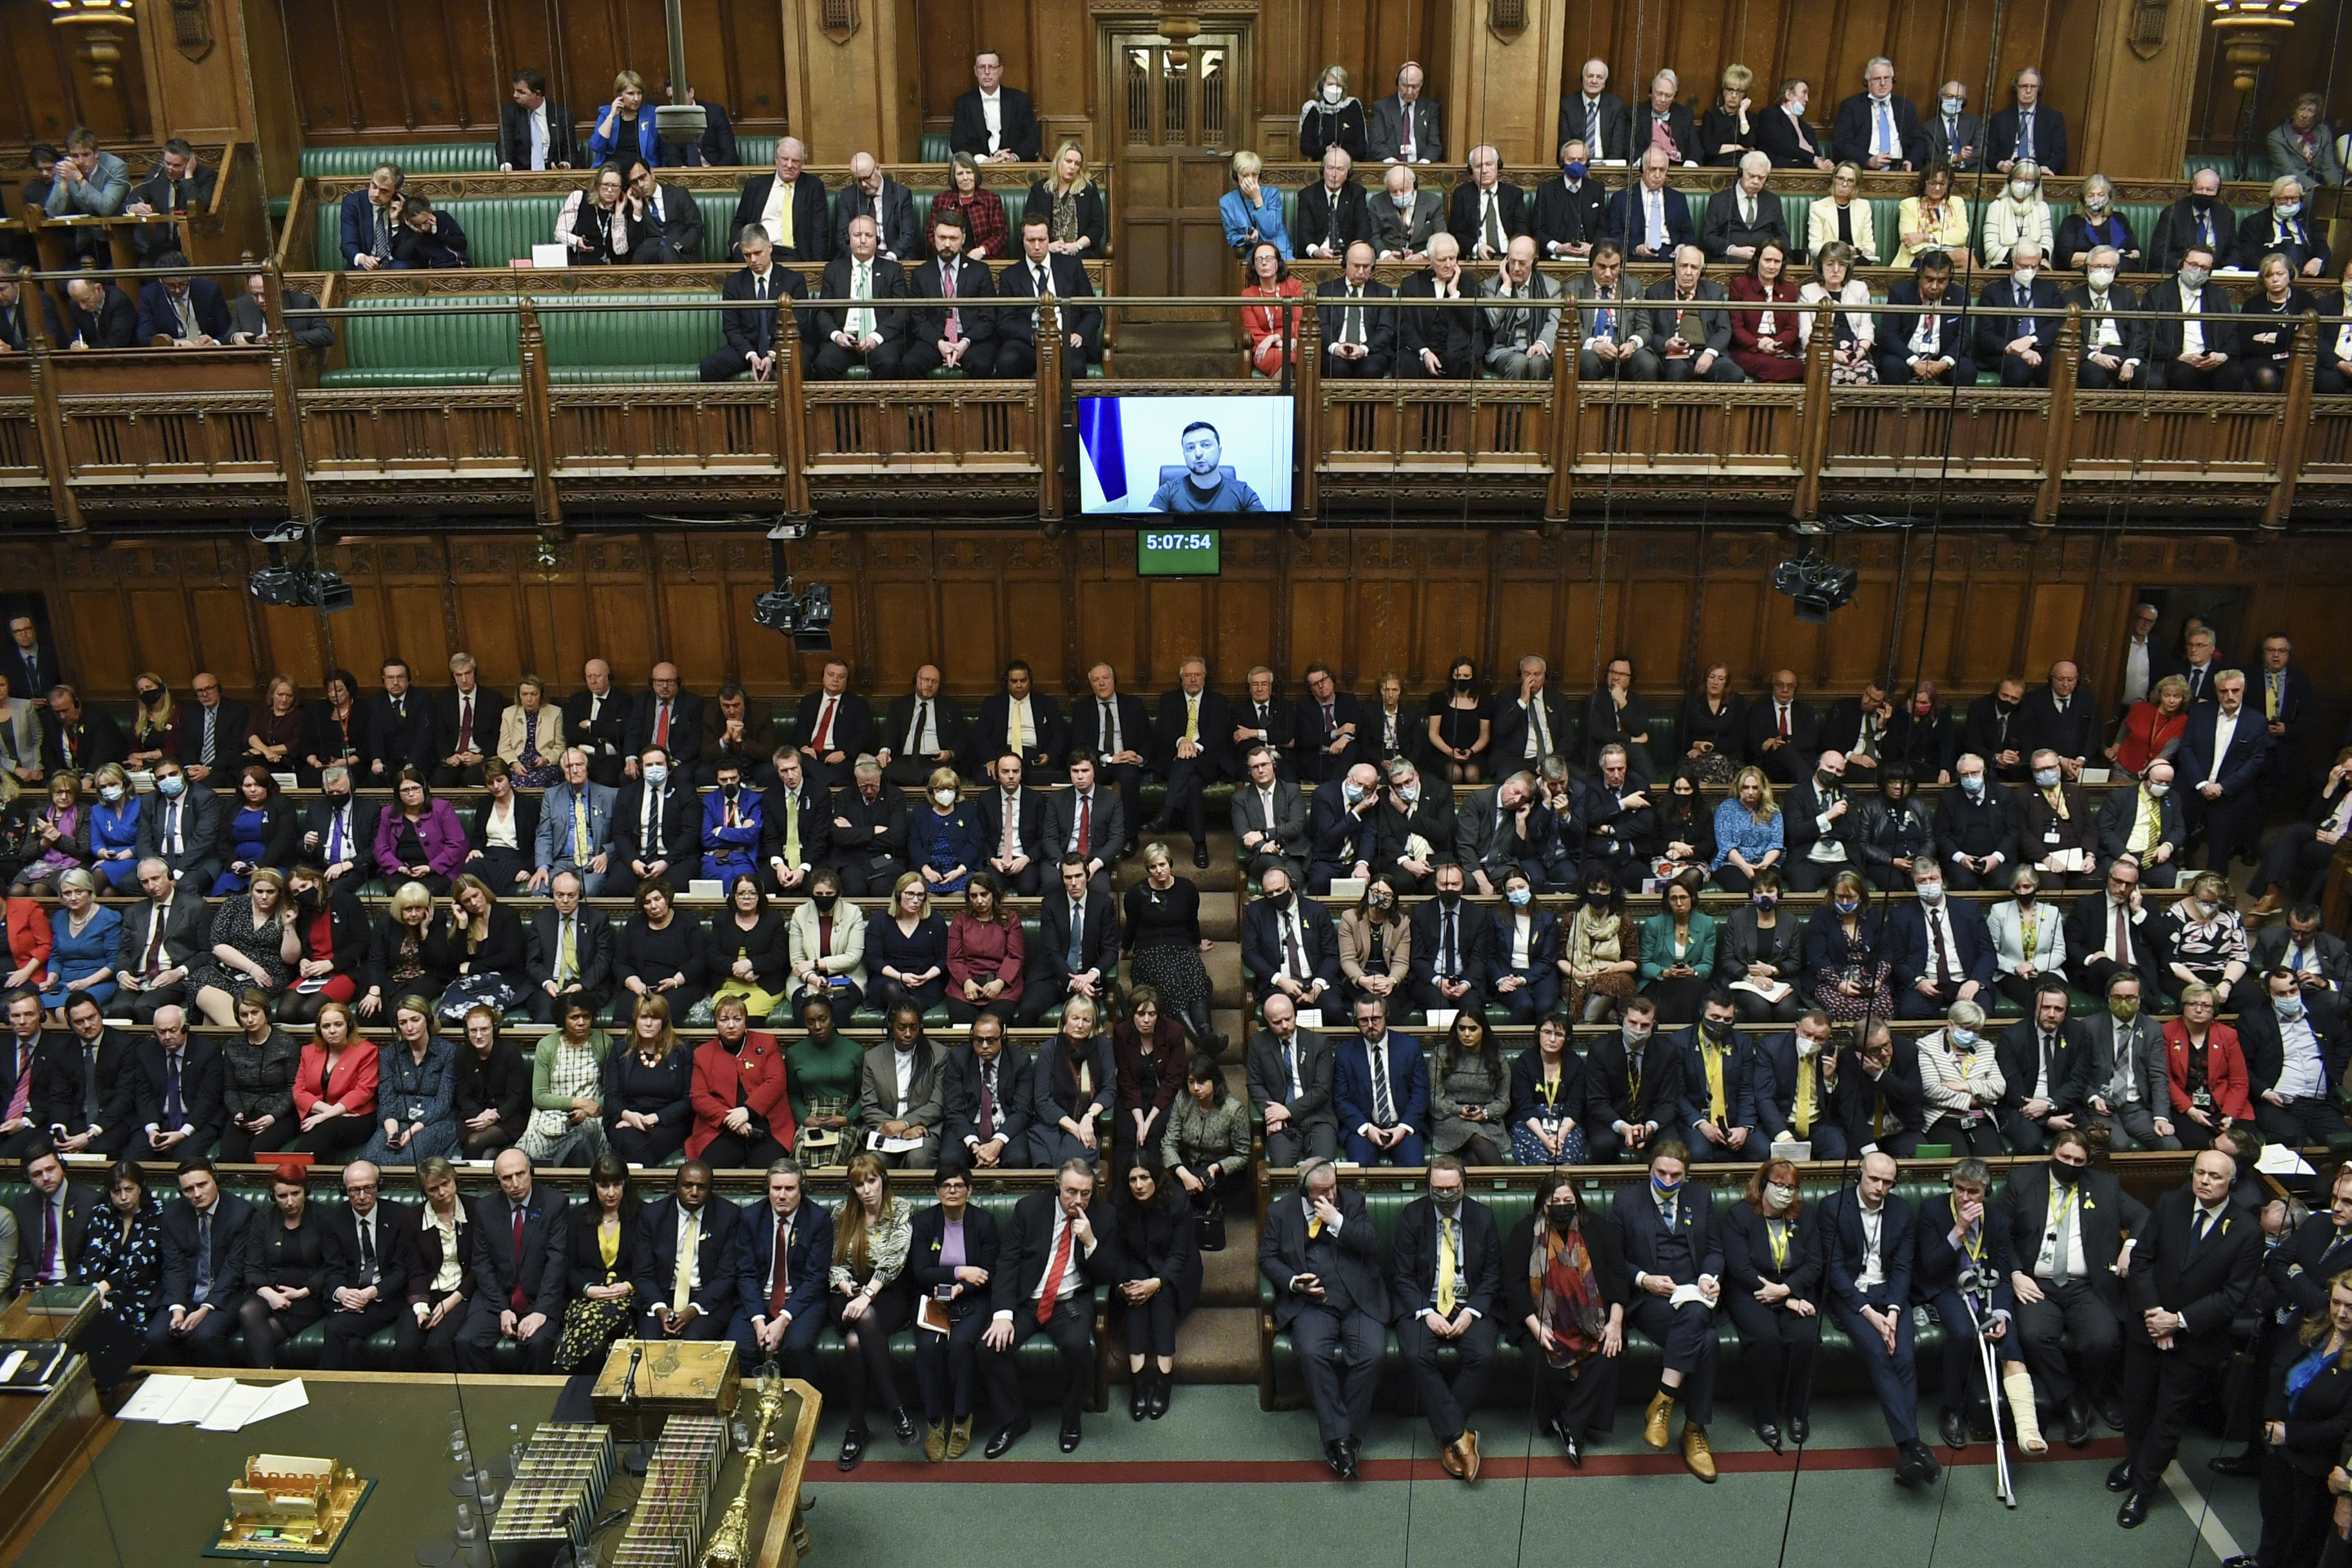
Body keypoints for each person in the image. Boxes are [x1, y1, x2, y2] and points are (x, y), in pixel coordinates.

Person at [2113, 1150, 2263, 1528]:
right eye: (2200, 1173)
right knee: (2135, 1405)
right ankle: (2136, 1460)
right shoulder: (2171, 1203)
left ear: (2232, 1181)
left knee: (2168, 1417)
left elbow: (2234, 1295)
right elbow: (2142, 1259)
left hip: (2195, 1339)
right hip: (2148, 1327)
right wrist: (2153, 1314)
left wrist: (2177, 1322)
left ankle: (2143, 1489)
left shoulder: (2247, 1230)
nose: (2205, 1181)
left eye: (2215, 1176)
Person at [2001, 1126, 2144, 1446]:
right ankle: (2071, 1400)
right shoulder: (2023, 1182)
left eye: (2079, 1160)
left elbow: (2143, 1216)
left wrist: (2130, 1245)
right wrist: (2014, 1272)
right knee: (2034, 1336)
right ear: (2053, 1154)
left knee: (2103, 1340)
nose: (2071, 1164)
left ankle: (2098, 1392)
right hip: (2036, 1283)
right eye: (2065, 1157)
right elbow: (2000, 1233)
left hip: (2086, 1285)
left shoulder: (2105, 1186)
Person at [1260, 1159, 1388, 1478]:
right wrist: (1293, 1281)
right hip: (1313, 1303)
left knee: (1371, 1354)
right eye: (1322, 1191)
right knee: (1312, 1353)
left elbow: (1372, 1246)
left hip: (1358, 1298)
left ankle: (1342, 1437)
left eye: (1333, 1187)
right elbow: (1267, 1258)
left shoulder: (1352, 1203)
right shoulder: (1281, 1212)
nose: (1331, 1195)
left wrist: (1338, 1222)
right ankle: (1342, 1440)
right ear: (1304, 1192)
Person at [1819, 1151, 1937, 1482]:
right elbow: (1834, 1271)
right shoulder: (1833, 1207)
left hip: (1891, 1295)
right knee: (1877, 1353)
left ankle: (1909, 1454)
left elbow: (1902, 1267)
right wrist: (1871, 1313)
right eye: (1874, 1179)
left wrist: (1896, 1312)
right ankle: (1913, 1445)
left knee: (1904, 1357)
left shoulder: (1901, 1210)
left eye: (1887, 1182)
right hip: (1851, 1297)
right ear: (1861, 1173)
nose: (1879, 1187)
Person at [1917, 1157, 2043, 1452]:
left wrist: (2001, 1313)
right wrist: (1959, 1229)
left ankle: (2026, 1426)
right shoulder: (1932, 1211)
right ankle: (1951, 1409)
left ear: (1985, 1191)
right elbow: (1931, 1267)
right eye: (1959, 1189)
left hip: (1985, 1288)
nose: (1964, 1197)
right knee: (1962, 1333)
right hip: (1946, 1287)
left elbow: (2002, 1274)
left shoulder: (1999, 1221)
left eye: (1972, 1191)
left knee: (2008, 1335)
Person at [1613, 1141, 1721, 1480]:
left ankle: (1664, 1401)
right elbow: (1613, 1261)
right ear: (1650, 1170)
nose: (1668, 1179)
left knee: (1697, 1315)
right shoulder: (1626, 1200)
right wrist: (1644, 1280)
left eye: (1676, 1175)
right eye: (1661, 1173)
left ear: (1685, 1175)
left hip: (1695, 1292)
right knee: (1708, 1341)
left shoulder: (1700, 1198)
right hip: (1652, 1300)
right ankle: (1694, 1430)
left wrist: (1707, 1277)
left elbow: (1715, 1249)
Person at [1507, 1171, 1627, 1465]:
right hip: (1539, 1321)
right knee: (1540, 1357)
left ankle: (1570, 1423)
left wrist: (1615, 1323)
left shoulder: (1598, 1227)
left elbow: (1618, 1276)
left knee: (1610, 1352)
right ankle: (1576, 1425)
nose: (1561, 1205)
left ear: (1577, 1201)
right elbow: (1512, 1283)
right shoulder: (1525, 1232)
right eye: (1554, 1201)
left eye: (1567, 1200)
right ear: (1542, 1204)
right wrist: (1535, 1327)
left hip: (1595, 1318)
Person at [2252, 1270, 2352, 1567]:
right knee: (2273, 1528)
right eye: (2337, 1303)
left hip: (2315, 1468)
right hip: (2279, 1452)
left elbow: (2345, 1425)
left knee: (2301, 1546)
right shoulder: (2315, 1329)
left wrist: (2290, 1434)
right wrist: (2272, 1423)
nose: (2342, 1313)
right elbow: (2278, 1370)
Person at [1721, 1158, 1821, 1451]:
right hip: (1751, 1292)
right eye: (1779, 1185)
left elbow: (1815, 1263)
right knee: (1766, 1339)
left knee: (1805, 1338)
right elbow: (1739, 1267)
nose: (1786, 1192)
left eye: (1791, 1187)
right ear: (1763, 1185)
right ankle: (1765, 1415)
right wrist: (1783, 1296)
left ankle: (1798, 1412)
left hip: (1793, 1289)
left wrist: (1788, 1292)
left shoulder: (1807, 1216)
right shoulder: (1739, 1216)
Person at [907, 1161, 998, 1460]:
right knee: (927, 1349)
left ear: (969, 1190)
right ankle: (935, 1422)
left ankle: (961, 1419)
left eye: (959, 1185)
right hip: (933, 1300)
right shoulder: (924, 1222)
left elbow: (987, 1274)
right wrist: (961, 1272)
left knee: (960, 1346)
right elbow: (921, 1272)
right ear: (937, 1191)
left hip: (974, 1299)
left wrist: (964, 1286)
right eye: (946, 1185)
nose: (952, 1190)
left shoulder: (984, 1222)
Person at [456, 1148, 569, 1374]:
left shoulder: (555, 1204)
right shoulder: (485, 1208)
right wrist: (502, 1310)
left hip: (539, 1298)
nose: (515, 1183)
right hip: (497, 1298)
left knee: (537, 1344)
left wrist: (542, 1311)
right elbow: (482, 1263)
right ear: (498, 1180)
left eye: (521, 1174)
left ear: (531, 1172)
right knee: (466, 1342)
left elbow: (557, 1263)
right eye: (507, 1178)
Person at [1107, 1157, 1200, 1423]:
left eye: (1145, 1178)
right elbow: (1119, 1252)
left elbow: (1180, 1255)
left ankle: (1163, 1380)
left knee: (1162, 1295)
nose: (1138, 1185)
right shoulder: (1119, 1201)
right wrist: (1125, 1286)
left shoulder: (1178, 1200)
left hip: (1177, 1268)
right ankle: (1138, 1384)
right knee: (1136, 1294)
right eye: (1133, 1180)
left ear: (1156, 1178)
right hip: (1137, 1262)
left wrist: (1157, 1282)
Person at [732, 1157, 831, 1389]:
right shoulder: (751, 1218)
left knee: (797, 1347)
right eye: (776, 1188)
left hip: (800, 1301)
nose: (782, 1196)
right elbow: (745, 1274)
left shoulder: (818, 1220)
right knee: (739, 1346)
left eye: (789, 1188)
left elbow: (815, 1279)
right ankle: (746, 1408)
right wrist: (759, 1322)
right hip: (758, 1300)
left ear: (801, 1190)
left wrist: (783, 1320)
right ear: (768, 1189)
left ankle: (806, 1410)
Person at [146, 1157, 252, 1367]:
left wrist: (205, 1309)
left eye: (202, 1185)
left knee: (205, 1336)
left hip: (224, 1294)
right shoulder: (172, 1214)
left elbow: (234, 1269)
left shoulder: (241, 1213)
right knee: (155, 1337)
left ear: (216, 1180)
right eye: (188, 1189)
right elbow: (173, 1265)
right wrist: (177, 1309)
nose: (196, 1194)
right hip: (185, 1293)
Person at [2240, 966, 2352, 1149]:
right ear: (2269, 994)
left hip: (2320, 1103)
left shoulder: (2321, 1012)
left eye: (2293, 991)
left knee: (2347, 1145)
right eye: (2281, 994)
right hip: (2278, 1104)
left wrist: (2335, 1074)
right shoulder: (2253, 1019)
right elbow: (2242, 1064)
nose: (2289, 997)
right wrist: (2264, 1091)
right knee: (2287, 1147)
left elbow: (2344, 1040)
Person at [549, 1152, 639, 1373]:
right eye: (604, 1186)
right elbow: (567, 1266)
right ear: (594, 1187)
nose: (611, 1193)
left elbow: (652, 1265)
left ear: (625, 1185)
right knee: (595, 1344)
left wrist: (629, 1286)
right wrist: (588, 1289)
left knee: (588, 1321)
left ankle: (561, 1373)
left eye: (617, 1185)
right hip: (586, 1298)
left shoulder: (642, 1216)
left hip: (626, 1299)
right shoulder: (577, 1218)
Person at [632, 1159, 738, 1344]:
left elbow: (727, 1276)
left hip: (706, 1300)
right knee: (649, 1342)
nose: (694, 1193)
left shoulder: (728, 1216)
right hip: (662, 1297)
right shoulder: (652, 1215)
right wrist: (661, 1309)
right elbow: (643, 1274)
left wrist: (691, 1312)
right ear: (677, 1186)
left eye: (702, 1187)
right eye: (688, 1186)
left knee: (693, 1340)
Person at [235, 1164, 328, 1369]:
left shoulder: (323, 1218)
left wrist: (303, 1292)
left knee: (262, 1332)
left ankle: (266, 1378)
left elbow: (333, 1266)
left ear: (306, 1191)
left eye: (296, 1194)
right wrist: (269, 1294)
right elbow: (252, 1267)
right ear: (273, 1195)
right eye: (282, 1196)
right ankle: (267, 1376)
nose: (290, 1202)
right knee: (248, 1310)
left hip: (310, 1295)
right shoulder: (263, 1220)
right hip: (271, 1289)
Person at [1997, 978, 2093, 1153]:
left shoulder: (2077, 1032)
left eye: (2058, 1009)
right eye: (2045, 1007)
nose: (2051, 1014)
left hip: (2061, 1103)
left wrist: (2049, 1105)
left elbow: (2078, 1081)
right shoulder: (2012, 1037)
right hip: (2022, 1108)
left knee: (2092, 1138)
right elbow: (2012, 1089)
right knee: (2030, 1144)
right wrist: (2045, 1120)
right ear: (2035, 1008)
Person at [361, 996, 458, 1166]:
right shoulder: (390, 1054)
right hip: (396, 1121)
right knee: (368, 1161)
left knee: (407, 1160)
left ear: (427, 1020)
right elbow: (386, 1099)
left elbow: (444, 1102)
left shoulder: (448, 1052)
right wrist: (393, 1132)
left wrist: (413, 1131)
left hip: (434, 1122)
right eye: (403, 1022)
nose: (410, 1027)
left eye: (415, 1020)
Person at [1164, 1052, 1250, 1246]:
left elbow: (1243, 1155)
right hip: (1188, 1165)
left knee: (1189, 1189)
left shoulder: (1233, 1110)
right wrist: (1183, 1173)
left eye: (1202, 1082)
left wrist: (1217, 1167)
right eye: (1191, 1082)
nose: (1196, 1088)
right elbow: (1169, 1142)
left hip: (1219, 1171)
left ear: (1215, 1081)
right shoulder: (1183, 1100)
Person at [81, 1160, 164, 1357]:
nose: (123, 1197)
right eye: (116, 1192)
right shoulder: (102, 1213)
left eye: (129, 1189)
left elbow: (141, 1258)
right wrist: (94, 1292)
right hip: (106, 1290)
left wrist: (105, 1286)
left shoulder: (158, 1212)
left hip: (145, 1288)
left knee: (113, 1316)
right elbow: (93, 1255)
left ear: (141, 1187)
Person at [903, 213, 999, 379]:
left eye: (953, 239)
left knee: (981, 364)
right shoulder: (921, 274)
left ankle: (975, 406)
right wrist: (940, 343)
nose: (947, 244)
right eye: (942, 237)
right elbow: (917, 319)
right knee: (910, 363)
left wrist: (965, 342)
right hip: (934, 339)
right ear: (934, 237)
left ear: (963, 239)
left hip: (971, 339)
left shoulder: (979, 271)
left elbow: (988, 317)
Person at [811, 214, 908, 380]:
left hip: (879, 339)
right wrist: (837, 335)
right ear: (849, 240)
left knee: (889, 363)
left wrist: (876, 337)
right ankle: (842, 407)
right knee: (824, 364)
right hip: (844, 338)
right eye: (857, 235)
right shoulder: (834, 270)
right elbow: (822, 311)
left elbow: (902, 312)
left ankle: (881, 406)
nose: (863, 240)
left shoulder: (892, 270)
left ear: (877, 241)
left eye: (869, 236)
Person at [1246, 992, 1338, 1166]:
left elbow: (1322, 1090)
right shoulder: (1259, 1043)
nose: (1285, 1026)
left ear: (1294, 1014)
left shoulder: (1318, 1043)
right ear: (1267, 1021)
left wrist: (1287, 1111)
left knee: (1322, 1168)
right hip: (1282, 1123)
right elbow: (1255, 1084)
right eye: (1277, 1023)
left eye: (1288, 1019)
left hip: (1317, 1118)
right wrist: (1271, 1113)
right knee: (1281, 1167)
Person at [606, 994, 694, 1167]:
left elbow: (688, 1098)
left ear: (664, 1021)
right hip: (628, 1118)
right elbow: (611, 1095)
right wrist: (628, 1116)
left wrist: (656, 1118)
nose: (648, 1024)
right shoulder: (620, 1050)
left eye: (654, 1018)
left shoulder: (681, 1050)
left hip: (667, 1122)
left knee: (640, 1145)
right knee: (629, 1139)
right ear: (635, 1020)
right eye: (643, 1017)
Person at [520, 998, 610, 1168]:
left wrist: (592, 1108)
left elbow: (611, 1091)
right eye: (574, 1017)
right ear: (563, 1019)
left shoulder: (603, 1042)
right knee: (546, 1139)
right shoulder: (547, 1045)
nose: (581, 1022)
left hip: (592, 1115)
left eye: (586, 1016)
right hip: (550, 1113)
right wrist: (578, 1103)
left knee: (585, 1133)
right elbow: (539, 1097)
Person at [943, 1012, 1032, 1171]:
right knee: (949, 1159)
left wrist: (997, 1143)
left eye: (991, 1040)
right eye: (979, 1040)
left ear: (1002, 1038)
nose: (984, 1046)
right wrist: (975, 1146)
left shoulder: (1020, 1060)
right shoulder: (958, 1059)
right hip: (969, 1126)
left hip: (1006, 1126)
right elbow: (953, 1110)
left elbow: (1022, 1111)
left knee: (1019, 1159)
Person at [1715, 867, 1806, 1024]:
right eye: (1759, 892)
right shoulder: (1738, 919)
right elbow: (1728, 960)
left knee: (1787, 1011)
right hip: (1743, 980)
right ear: (1752, 895)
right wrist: (1751, 977)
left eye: (1770, 891)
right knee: (1759, 1009)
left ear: (1779, 893)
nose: (1765, 896)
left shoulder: (1790, 922)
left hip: (1780, 981)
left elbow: (1795, 962)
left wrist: (1772, 970)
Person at [860, 1002, 945, 1168]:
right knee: (874, 1163)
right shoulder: (873, 1058)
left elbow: (937, 1105)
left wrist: (905, 1123)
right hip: (884, 1129)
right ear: (892, 1027)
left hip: (923, 1129)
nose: (908, 1034)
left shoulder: (938, 1055)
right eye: (902, 1028)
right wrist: (898, 1130)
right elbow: (869, 1107)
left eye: (914, 1028)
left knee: (918, 1159)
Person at [1916, 999, 2006, 1156]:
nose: (1972, 1035)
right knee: (1959, 1161)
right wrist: (1974, 1100)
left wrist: (1965, 1086)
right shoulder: (1928, 1047)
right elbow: (1932, 1090)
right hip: (1943, 1120)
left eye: (1976, 1031)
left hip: (1980, 1120)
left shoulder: (1985, 1047)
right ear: (1951, 1024)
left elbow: (1999, 1087)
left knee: (1992, 1161)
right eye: (1966, 1029)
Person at [2148, 245, 2244, 390]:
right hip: (2176, 359)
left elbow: (2233, 335)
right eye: (2193, 265)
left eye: (2204, 268)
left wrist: (2221, 356)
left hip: (2211, 361)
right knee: (2184, 373)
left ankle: (2216, 413)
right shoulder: (2158, 294)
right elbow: (2148, 337)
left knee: (2234, 373)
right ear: (2182, 264)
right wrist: (2181, 356)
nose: (2198, 271)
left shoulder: (2219, 296)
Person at [1111, 987, 1186, 1167]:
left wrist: (1149, 1120)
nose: (1146, 1020)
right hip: (1132, 1094)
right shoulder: (1123, 1033)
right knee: (1127, 1138)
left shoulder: (1174, 1032)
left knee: (1153, 1137)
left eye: (1152, 1014)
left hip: (1164, 1096)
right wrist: (1139, 1120)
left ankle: (1156, 1190)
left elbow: (1172, 1081)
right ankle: (1123, 1191)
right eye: (1141, 1014)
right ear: (1132, 1014)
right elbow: (1126, 1080)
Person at [616, 877, 707, 1021]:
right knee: (623, 1013)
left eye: (657, 899)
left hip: (679, 986)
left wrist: (675, 981)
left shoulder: (688, 922)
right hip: (641, 987)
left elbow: (699, 959)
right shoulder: (635, 925)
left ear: (667, 898)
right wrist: (637, 985)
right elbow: (620, 963)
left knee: (663, 1013)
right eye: (647, 902)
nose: (653, 906)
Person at [1881, 250, 1974, 386]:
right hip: (1906, 357)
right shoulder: (1900, 293)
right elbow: (1889, 335)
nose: (1935, 287)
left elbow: (1964, 337)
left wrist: (1944, 362)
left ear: (1950, 278)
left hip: (1941, 358)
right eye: (1929, 280)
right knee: (1892, 366)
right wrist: (1914, 362)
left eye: (1942, 281)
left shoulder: (1960, 296)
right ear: (1920, 275)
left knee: (1967, 370)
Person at [40, 868, 118, 1024]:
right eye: (68, 893)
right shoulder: (59, 918)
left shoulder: (109, 918)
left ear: (90, 891)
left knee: (66, 1011)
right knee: (42, 1014)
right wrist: (51, 978)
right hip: (66, 983)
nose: (73, 898)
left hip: (99, 982)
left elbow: (114, 962)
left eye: (79, 891)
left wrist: (86, 982)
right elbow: (55, 956)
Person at [707, 875, 787, 1024]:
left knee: (747, 1017)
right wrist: (735, 968)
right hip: (727, 985)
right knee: (726, 1017)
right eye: (741, 893)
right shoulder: (721, 919)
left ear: (759, 896)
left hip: (763, 985)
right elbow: (713, 955)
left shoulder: (774, 920)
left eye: (752, 893)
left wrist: (751, 965)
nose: (747, 897)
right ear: (734, 896)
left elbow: (779, 956)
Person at [451, 1004, 528, 1159]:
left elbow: (516, 1097)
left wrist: (494, 1116)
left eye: (484, 1029)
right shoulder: (462, 1053)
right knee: (488, 1155)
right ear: (467, 1032)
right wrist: (481, 1116)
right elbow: (463, 1096)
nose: (478, 1035)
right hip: (476, 1116)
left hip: (508, 1116)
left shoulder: (510, 1051)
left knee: (474, 1142)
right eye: (473, 1031)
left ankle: (467, 1182)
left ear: (494, 1029)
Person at [1986, 865, 2068, 1012]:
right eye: (2017, 887)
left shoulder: (2052, 912)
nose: (2022, 892)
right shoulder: (1999, 911)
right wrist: (2016, 968)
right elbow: (1990, 951)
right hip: (2010, 972)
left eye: (2027, 887)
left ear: (2036, 887)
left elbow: (2060, 952)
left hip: (2045, 970)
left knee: (2047, 994)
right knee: (2030, 998)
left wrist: (2033, 965)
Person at [1797, 240, 1877, 382]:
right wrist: (1832, 354)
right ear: (1821, 266)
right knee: (1830, 377)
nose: (1836, 270)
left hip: (1856, 352)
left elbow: (1867, 327)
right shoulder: (1808, 292)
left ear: (1848, 267)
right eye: (1830, 264)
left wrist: (1860, 352)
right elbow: (1805, 334)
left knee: (1868, 377)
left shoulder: (1860, 289)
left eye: (1841, 264)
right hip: (1820, 353)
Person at [2242, 251, 2321, 393]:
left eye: (2280, 274)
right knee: (2266, 376)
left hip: (2296, 356)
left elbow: (2309, 337)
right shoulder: (2252, 304)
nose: (2275, 280)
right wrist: (2289, 336)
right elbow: (2247, 344)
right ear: (2263, 280)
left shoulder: (2305, 300)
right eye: (2269, 275)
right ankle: (2268, 414)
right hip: (2261, 360)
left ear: (2290, 275)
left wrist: (2268, 337)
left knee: (2302, 375)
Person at [1146, 418, 1264, 512]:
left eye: (1206, 445)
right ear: (1184, 454)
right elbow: (1146, 530)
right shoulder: (1168, 491)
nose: (1198, 454)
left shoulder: (1242, 492)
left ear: (1220, 451)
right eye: (1191, 448)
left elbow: (1266, 530)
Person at [1491, 866, 1562, 1023]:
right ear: (1506, 893)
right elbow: (1490, 956)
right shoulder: (1496, 917)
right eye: (1511, 890)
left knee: (1545, 1006)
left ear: (1529, 887)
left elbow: (1547, 960)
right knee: (1524, 1005)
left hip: (1540, 973)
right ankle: (1508, 1045)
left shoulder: (1547, 919)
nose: (1517, 892)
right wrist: (1501, 980)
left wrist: (1523, 979)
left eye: (1521, 887)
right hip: (1508, 973)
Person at [1727, 239, 1803, 382]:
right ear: (1757, 260)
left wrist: (1775, 344)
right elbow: (1737, 327)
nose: (1772, 266)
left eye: (1777, 262)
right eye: (1768, 260)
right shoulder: (1741, 285)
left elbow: (1793, 328)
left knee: (1805, 367)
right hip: (1748, 350)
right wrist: (1759, 345)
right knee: (1774, 367)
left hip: (1779, 349)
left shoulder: (1789, 289)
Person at [1831, 57, 1923, 170]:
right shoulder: (1852, 106)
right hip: (1863, 169)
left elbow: (1919, 141)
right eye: (1877, 79)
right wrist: (1868, 160)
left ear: (1893, 80)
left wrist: (1911, 161)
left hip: (1900, 169)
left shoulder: (1906, 107)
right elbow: (1841, 143)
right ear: (1867, 82)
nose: (1883, 83)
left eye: (1887, 78)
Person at [952, 47, 1040, 161]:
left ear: (1000, 70)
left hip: (1014, 168)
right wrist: (984, 161)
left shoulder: (1020, 100)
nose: (987, 72)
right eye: (982, 67)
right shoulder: (964, 103)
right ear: (975, 71)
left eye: (992, 67)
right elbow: (957, 143)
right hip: (977, 170)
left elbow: (1032, 138)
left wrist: (1013, 158)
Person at [1023, 139, 1106, 258]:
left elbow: (1097, 227)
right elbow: (1028, 223)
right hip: (1047, 253)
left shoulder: (1088, 189)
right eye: (1068, 161)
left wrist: (1076, 246)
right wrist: (1048, 247)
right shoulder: (1040, 189)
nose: (1072, 167)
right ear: (1058, 162)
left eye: (1077, 164)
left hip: (1081, 253)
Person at [2237, 177, 2331, 279]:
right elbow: (2248, 256)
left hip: (2304, 277)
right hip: (2269, 277)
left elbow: (2321, 246)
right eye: (2284, 199)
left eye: (2294, 198)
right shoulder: (2254, 222)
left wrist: (2318, 260)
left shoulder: (2307, 218)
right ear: (2274, 199)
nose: (2289, 204)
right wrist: (2273, 270)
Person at [1701, 152, 1787, 264]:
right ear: (1741, 173)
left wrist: (1767, 253)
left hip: (1765, 261)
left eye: (1761, 178)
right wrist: (1733, 250)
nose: (1756, 182)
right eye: (1751, 176)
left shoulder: (1773, 201)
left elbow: (1784, 238)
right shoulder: (1719, 200)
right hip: (1730, 259)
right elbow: (1708, 238)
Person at [2058, 176, 2142, 271]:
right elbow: (2068, 258)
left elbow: (2136, 252)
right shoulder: (2071, 222)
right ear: (2083, 198)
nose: (2096, 200)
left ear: (2109, 197)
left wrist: (2089, 259)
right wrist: (2115, 257)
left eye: (2101, 195)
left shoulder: (2120, 219)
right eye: (2091, 196)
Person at [498, 66, 575, 172]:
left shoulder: (562, 115)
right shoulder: (510, 111)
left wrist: (565, 165)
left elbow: (571, 151)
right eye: (515, 91)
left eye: (521, 92)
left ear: (538, 94)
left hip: (553, 174)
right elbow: (505, 143)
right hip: (521, 174)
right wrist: (506, 166)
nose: (515, 95)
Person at [1220, 152, 1290, 260]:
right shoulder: (1227, 202)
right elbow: (1232, 237)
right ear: (1236, 176)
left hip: (1278, 251)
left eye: (1254, 174)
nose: (1250, 180)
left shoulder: (1272, 194)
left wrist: (1258, 199)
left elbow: (1271, 230)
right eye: (1245, 175)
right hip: (1253, 253)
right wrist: (1246, 238)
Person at [1807, 162, 1879, 264]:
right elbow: (1814, 246)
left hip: (1857, 262)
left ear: (1856, 185)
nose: (1844, 184)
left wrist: (1868, 251)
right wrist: (1840, 252)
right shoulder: (1818, 207)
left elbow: (1869, 242)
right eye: (1841, 179)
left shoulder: (1863, 206)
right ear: (1834, 180)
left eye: (1850, 181)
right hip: (1830, 261)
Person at [1755, 76, 1834, 170]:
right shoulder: (1770, 115)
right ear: (1789, 95)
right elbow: (1783, 146)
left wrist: (1825, 162)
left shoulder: (1808, 129)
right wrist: (1814, 159)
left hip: (1810, 171)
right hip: (1785, 171)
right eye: (1804, 93)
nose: (1807, 99)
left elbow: (1817, 156)